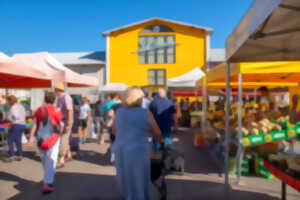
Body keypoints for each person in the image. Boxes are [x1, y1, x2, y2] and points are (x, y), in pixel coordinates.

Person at [112, 86, 163, 200]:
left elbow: (114, 131)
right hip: (138, 150)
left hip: (121, 149)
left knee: (125, 178)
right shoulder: (145, 113)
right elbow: (157, 132)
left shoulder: (119, 112)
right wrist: (161, 143)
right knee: (139, 179)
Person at [28, 92, 64, 194]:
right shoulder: (57, 110)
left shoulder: (39, 109)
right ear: (54, 100)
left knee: (44, 160)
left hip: (40, 139)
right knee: (51, 160)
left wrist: (31, 137)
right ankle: (47, 183)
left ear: (45, 99)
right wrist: (60, 134)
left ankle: (48, 179)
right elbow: (61, 124)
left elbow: (34, 124)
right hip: (53, 138)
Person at [54, 82, 73, 169]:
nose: (54, 91)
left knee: (63, 138)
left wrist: (68, 123)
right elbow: (58, 110)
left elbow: (69, 110)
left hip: (66, 120)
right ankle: (69, 155)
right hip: (62, 120)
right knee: (65, 137)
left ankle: (61, 159)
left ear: (58, 90)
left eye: (55, 90)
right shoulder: (60, 98)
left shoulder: (66, 97)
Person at [3, 95, 26, 162]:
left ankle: (12, 155)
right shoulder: (21, 106)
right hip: (22, 124)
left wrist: (9, 118)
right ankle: (20, 155)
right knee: (18, 140)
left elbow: (15, 116)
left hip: (16, 124)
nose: (8, 103)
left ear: (10, 101)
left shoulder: (13, 107)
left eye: (8, 101)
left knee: (10, 140)